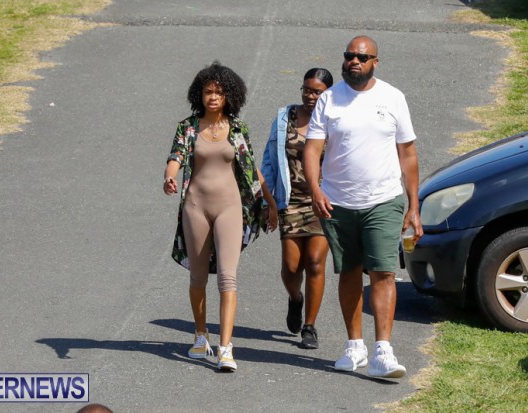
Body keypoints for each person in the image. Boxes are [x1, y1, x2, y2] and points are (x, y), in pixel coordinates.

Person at [303, 35, 423, 379]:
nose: (354, 61)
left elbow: (408, 153)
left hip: (383, 200)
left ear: (375, 62)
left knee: (383, 272)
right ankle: (354, 346)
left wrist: (414, 205)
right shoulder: (329, 99)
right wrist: (315, 189)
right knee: (350, 271)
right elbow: (312, 149)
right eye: (349, 56)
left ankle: (383, 351)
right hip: (338, 203)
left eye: (362, 57)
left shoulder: (393, 97)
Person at [164, 61, 277, 372]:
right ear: (199, 95)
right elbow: (176, 157)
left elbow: (252, 169)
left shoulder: (238, 129)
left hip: (230, 208)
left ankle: (225, 348)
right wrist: (169, 176)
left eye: (219, 92)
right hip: (195, 207)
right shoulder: (188, 127)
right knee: (198, 276)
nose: (212, 97)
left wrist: (270, 203)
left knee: (228, 277)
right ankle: (201, 337)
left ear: (230, 96)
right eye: (207, 92)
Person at [260, 68, 333, 349]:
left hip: (323, 200)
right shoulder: (284, 118)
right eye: (306, 90)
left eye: (317, 92)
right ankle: (295, 298)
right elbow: (269, 161)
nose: (310, 96)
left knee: (314, 262)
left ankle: (310, 326)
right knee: (292, 267)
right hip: (289, 200)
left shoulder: (334, 119)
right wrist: (267, 201)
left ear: (328, 94)